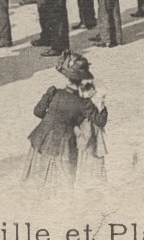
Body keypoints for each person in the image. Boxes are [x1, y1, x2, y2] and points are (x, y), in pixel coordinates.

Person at [23, 53, 106, 187]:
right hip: (64, 145)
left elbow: (38, 112)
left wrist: (52, 119)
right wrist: (102, 104)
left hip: (41, 138)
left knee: (37, 179)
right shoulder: (84, 103)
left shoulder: (54, 92)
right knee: (64, 183)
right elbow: (100, 121)